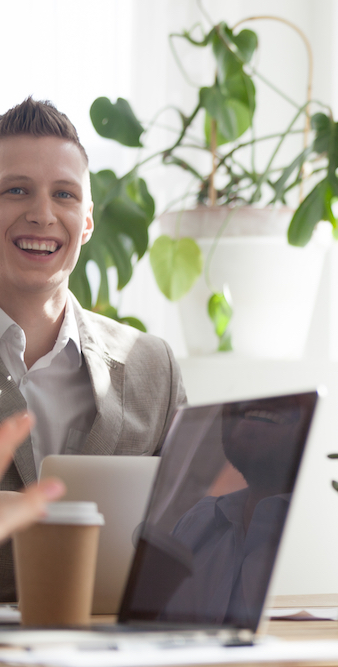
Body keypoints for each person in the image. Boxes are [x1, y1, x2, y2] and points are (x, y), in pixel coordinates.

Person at [0, 97, 186, 600]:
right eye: (16, 190)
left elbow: (193, 536)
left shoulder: (153, 367)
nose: (42, 215)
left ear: (86, 220)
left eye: (64, 194)